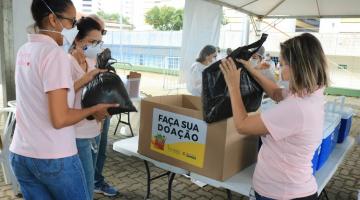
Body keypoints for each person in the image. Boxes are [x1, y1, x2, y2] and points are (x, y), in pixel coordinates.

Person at [9, 0, 117, 199]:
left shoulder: (24, 50)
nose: (74, 28)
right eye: (71, 22)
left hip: (21, 153)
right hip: (53, 156)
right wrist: (95, 109)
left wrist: (85, 79)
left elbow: (50, 94)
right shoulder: (55, 55)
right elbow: (60, 119)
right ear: (52, 19)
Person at [220, 33, 328, 200]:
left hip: (282, 193)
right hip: (294, 187)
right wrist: (250, 68)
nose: (278, 68)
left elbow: (242, 125)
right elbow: (276, 93)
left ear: (298, 67)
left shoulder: (297, 107)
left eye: (283, 64)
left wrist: (233, 85)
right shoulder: (311, 93)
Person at [69, 16, 106, 199]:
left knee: (88, 181)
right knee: (84, 187)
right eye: (92, 42)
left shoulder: (91, 62)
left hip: (94, 129)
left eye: (99, 42)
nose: (96, 47)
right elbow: (62, 97)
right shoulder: (66, 63)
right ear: (77, 39)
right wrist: (85, 79)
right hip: (77, 133)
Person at [88, 14, 119, 197]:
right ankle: (88, 182)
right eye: (100, 31)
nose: (102, 35)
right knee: (90, 149)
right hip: (87, 113)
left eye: (104, 31)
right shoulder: (74, 53)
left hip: (104, 106)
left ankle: (97, 181)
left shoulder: (101, 51)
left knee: (101, 148)